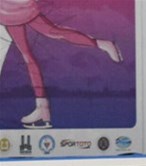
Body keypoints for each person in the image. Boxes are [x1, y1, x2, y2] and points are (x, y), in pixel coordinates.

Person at [0, 0, 123, 128]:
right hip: (10, 9)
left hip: (14, 8)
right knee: (42, 42)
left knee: (47, 38)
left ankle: (43, 108)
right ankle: (42, 108)